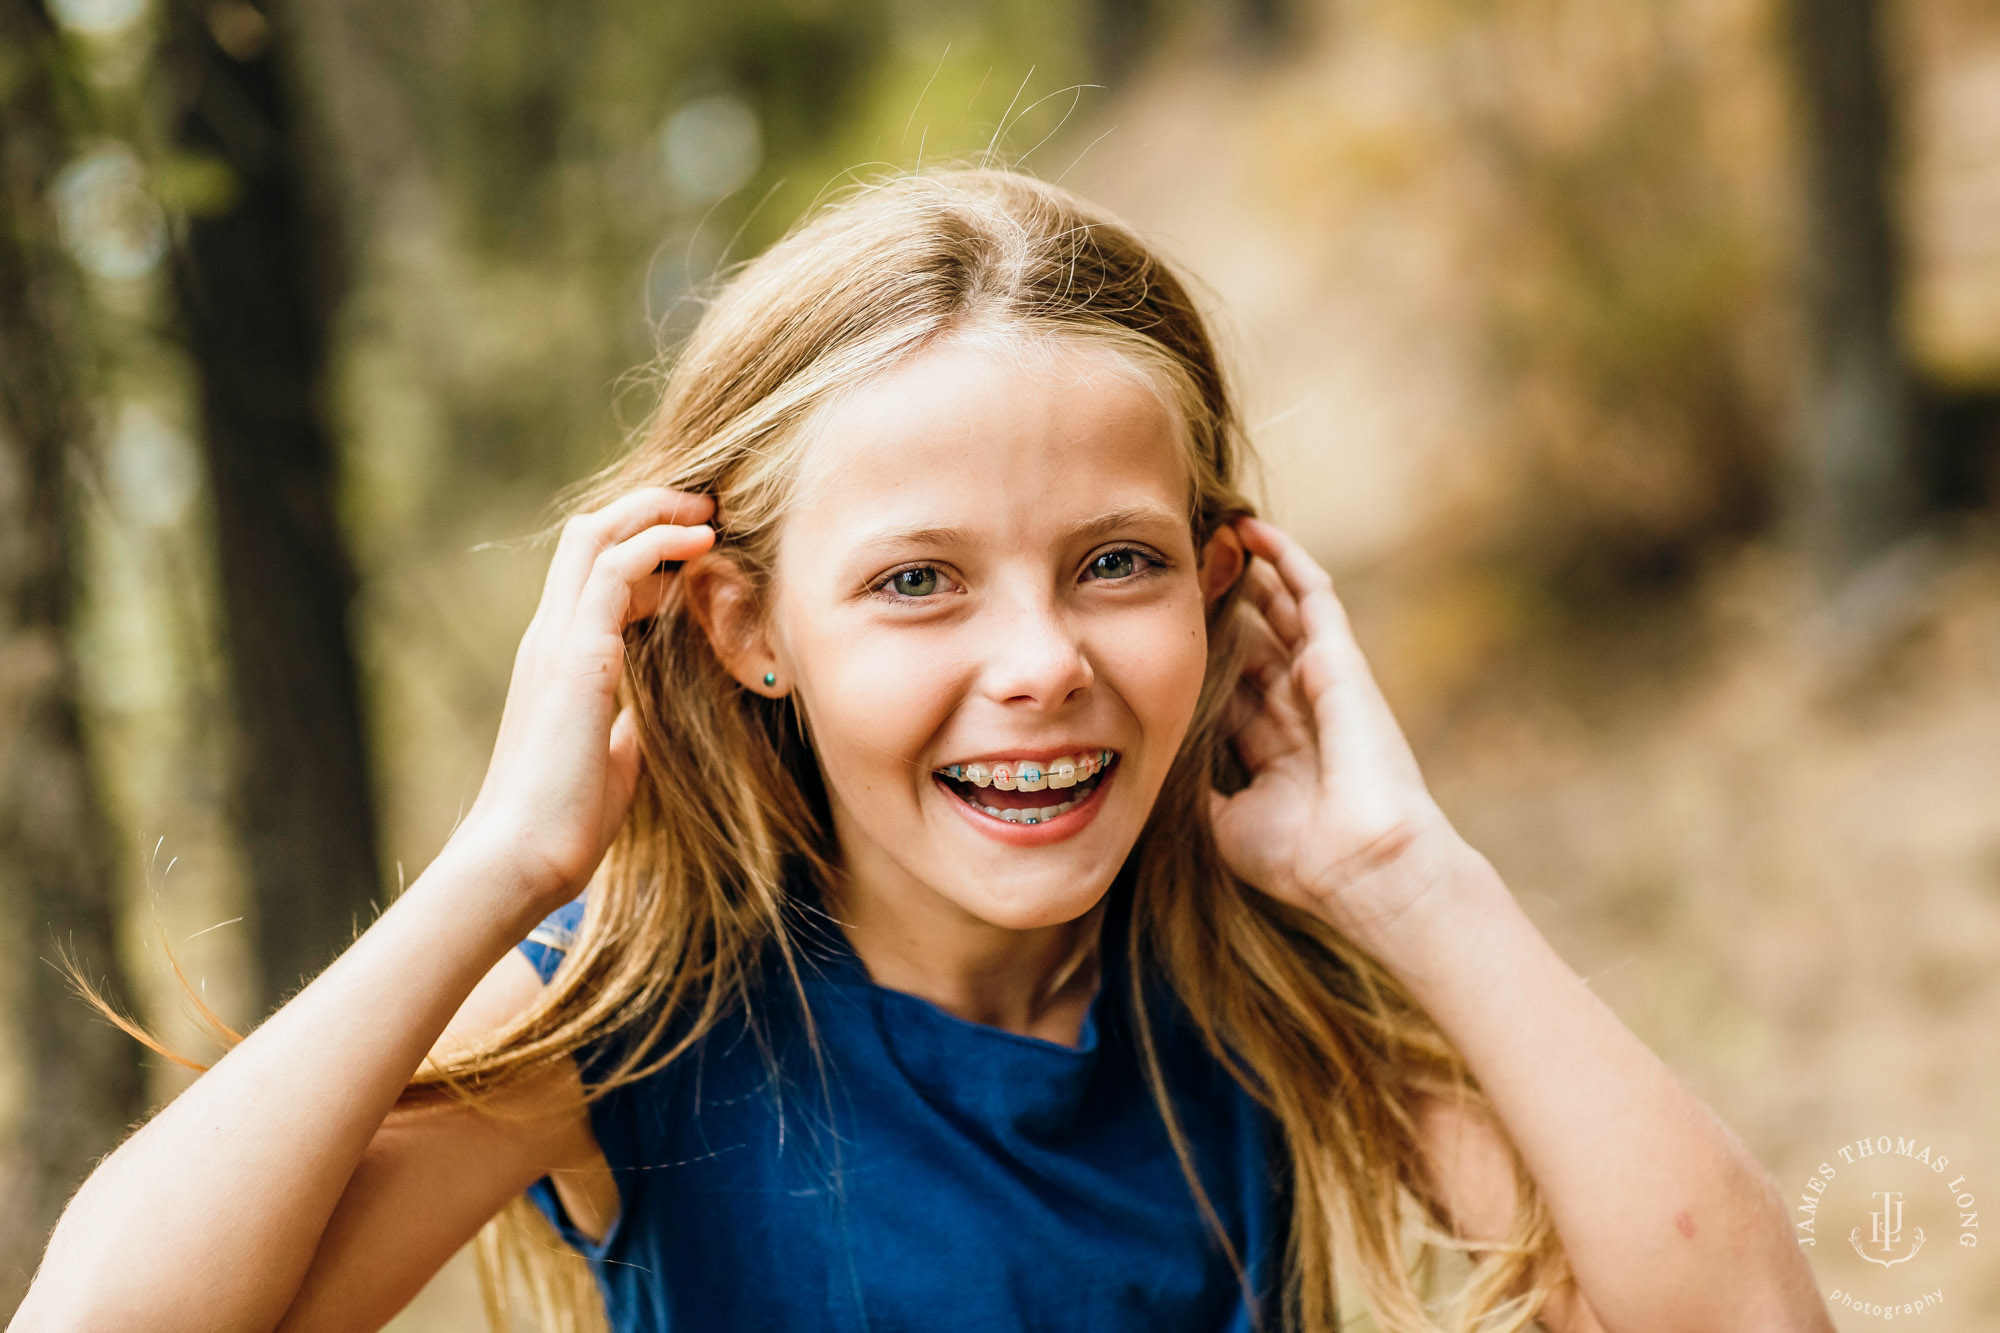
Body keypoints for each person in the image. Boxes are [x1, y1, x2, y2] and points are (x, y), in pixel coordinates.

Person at [17, 170, 1831, 1333]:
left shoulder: (1248, 987)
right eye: (917, 583)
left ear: (1219, 592)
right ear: (747, 630)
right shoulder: (652, 1018)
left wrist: (1407, 877)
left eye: (1114, 564)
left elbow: (1748, 1316)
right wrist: (506, 865)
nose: (1037, 662)